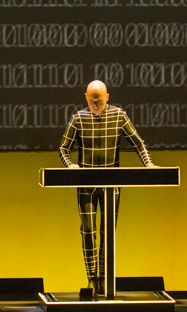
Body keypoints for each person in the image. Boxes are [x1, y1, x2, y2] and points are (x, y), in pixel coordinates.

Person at [59, 80, 155, 298]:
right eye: (92, 101)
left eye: (99, 101)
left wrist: (148, 163)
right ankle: (91, 278)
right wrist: (70, 165)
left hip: (111, 184)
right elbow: (63, 148)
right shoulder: (79, 118)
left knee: (107, 233)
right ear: (86, 97)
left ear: (107, 97)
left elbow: (138, 143)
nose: (96, 105)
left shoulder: (119, 116)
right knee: (88, 232)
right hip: (86, 183)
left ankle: (104, 277)